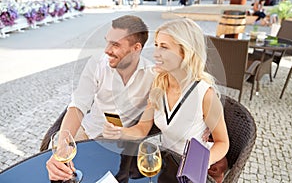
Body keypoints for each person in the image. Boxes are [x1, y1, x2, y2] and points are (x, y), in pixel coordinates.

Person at [103, 18, 229, 176]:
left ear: (185, 53)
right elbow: (143, 128)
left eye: (164, 47)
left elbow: (223, 142)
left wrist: (201, 162)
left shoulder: (205, 94)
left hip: (193, 171)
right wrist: (121, 132)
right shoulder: (158, 85)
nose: (155, 54)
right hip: (168, 165)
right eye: (156, 45)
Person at [46, 15, 154, 181]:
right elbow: (78, 106)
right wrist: (62, 148)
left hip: (122, 143)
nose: (107, 50)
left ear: (136, 48)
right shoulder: (97, 63)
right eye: (108, 42)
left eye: (115, 44)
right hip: (88, 131)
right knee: (58, 167)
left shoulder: (152, 75)